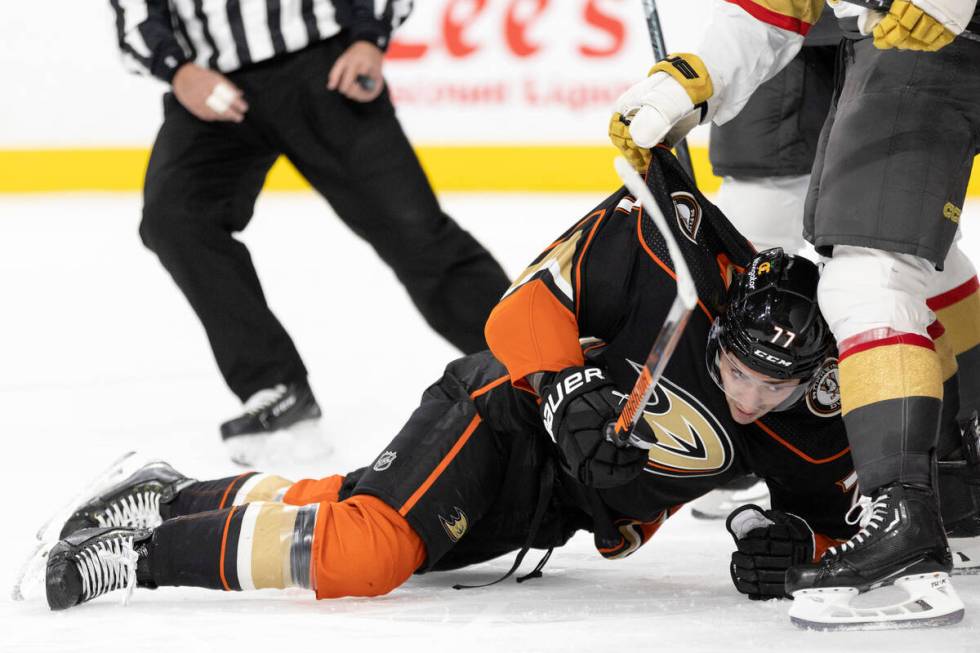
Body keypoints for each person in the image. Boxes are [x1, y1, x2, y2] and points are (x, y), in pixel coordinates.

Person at [39, 150, 866, 612]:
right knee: (367, 550)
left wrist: (796, 547)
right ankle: (139, 558)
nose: (750, 397)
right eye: (736, 370)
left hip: (553, 509)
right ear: (718, 325)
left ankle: (171, 493)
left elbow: (831, 521)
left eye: (776, 388)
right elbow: (518, 310)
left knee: (352, 502)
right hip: (500, 418)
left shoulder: (813, 421)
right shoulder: (664, 267)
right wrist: (564, 390)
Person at [609, 0, 980, 629]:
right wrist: (691, 81)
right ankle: (955, 486)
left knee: (873, 275)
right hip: (916, 53)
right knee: (895, 257)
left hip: (940, 42)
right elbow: (781, 8)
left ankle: (909, 522)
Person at [108, 0, 511, 463]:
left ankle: (537, 364)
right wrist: (178, 72)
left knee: (414, 232)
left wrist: (367, 38)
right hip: (214, 88)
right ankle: (274, 385)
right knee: (175, 217)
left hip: (325, 67)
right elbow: (134, 12)